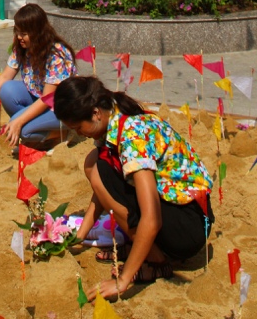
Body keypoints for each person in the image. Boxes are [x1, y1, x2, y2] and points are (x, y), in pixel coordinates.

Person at [53, 76, 214, 300]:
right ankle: (145, 248)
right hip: (178, 209)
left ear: (95, 113)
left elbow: (152, 218)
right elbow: (102, 190)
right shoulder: (113, 115)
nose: (79, 134)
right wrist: (80, 234)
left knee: (98, 169)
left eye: (78, 128)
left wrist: (122, 281)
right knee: (95, 163)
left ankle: (156, 260)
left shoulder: (132, 135)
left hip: (189, 225)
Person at [0, 2, 75, 147]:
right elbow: (5, 76)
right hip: (38, 97)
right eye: (17, 32)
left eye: (24, 34)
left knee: (23, 130)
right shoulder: (21, 47)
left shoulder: (55, 55)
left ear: (37, 33)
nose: (19, 37)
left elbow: (47, 99)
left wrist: (19, 121)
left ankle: (60, 133)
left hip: (60, 107)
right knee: (7, 90)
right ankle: (37, 129)